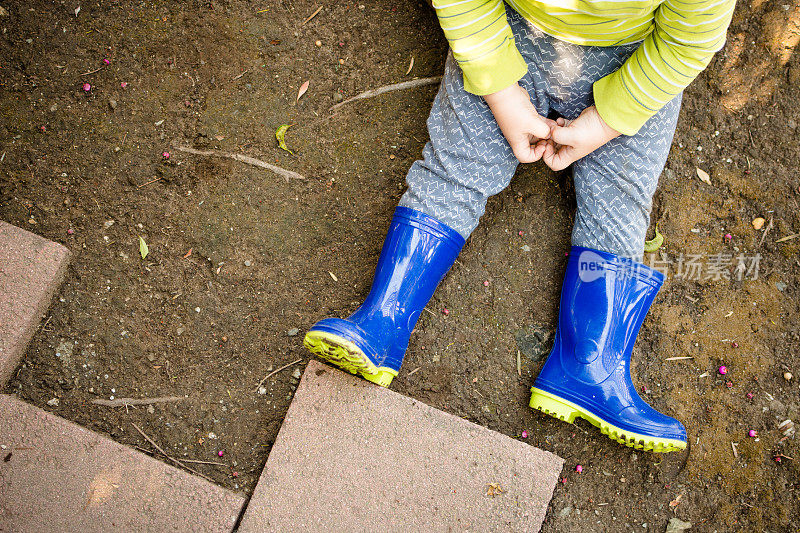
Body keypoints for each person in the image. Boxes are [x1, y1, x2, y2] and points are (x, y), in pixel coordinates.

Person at [304, 0, 735, 452]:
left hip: (640, 64)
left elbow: (690, 39)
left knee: (619, 211)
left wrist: (608, 120)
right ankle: (383, 321)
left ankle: (587, 369)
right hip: (507, 34)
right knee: (456, 170)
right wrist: (501, 91)